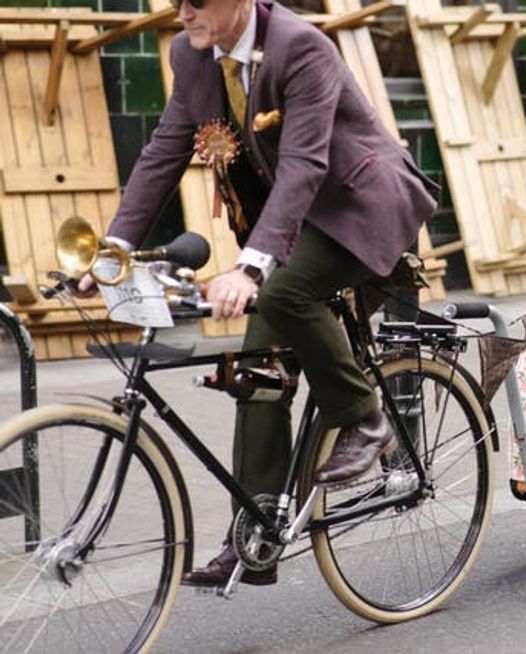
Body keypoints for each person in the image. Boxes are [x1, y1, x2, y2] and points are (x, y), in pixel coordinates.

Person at [85, 0, 438, 587]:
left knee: (281, 295)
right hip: (292, 224)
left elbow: (303, 163)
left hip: (358, 206)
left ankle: (364, 418)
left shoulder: (301, 46)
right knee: (259, 374)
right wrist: (109, 252)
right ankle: (255, 532)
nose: (182, 13)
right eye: (176, 2)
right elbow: (162, 154)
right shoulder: (192, 54)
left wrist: (250, 269)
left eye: (196, 2)